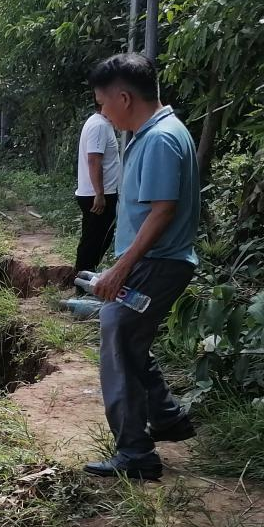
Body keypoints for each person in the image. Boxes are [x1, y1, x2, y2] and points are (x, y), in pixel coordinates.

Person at [84, 53, 199, 481]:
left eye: (103, 102)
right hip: (155, 262)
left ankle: (135, 454)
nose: (102, 112)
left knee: (116, 338)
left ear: (125, 97)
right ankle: (167, 417)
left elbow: (162, 212)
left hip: (155, 263)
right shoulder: (153, 133)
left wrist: (119, 271)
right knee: (129, 342)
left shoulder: (160, 139)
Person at [74, 102, 121, 291]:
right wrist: (100, 194)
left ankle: (83, 280)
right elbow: (94, 160)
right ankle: (83, 284)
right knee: (95, 242)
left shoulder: (99, 124)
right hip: (99, 195)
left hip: (98, 193)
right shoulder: (100, 125)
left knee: (94, 239)